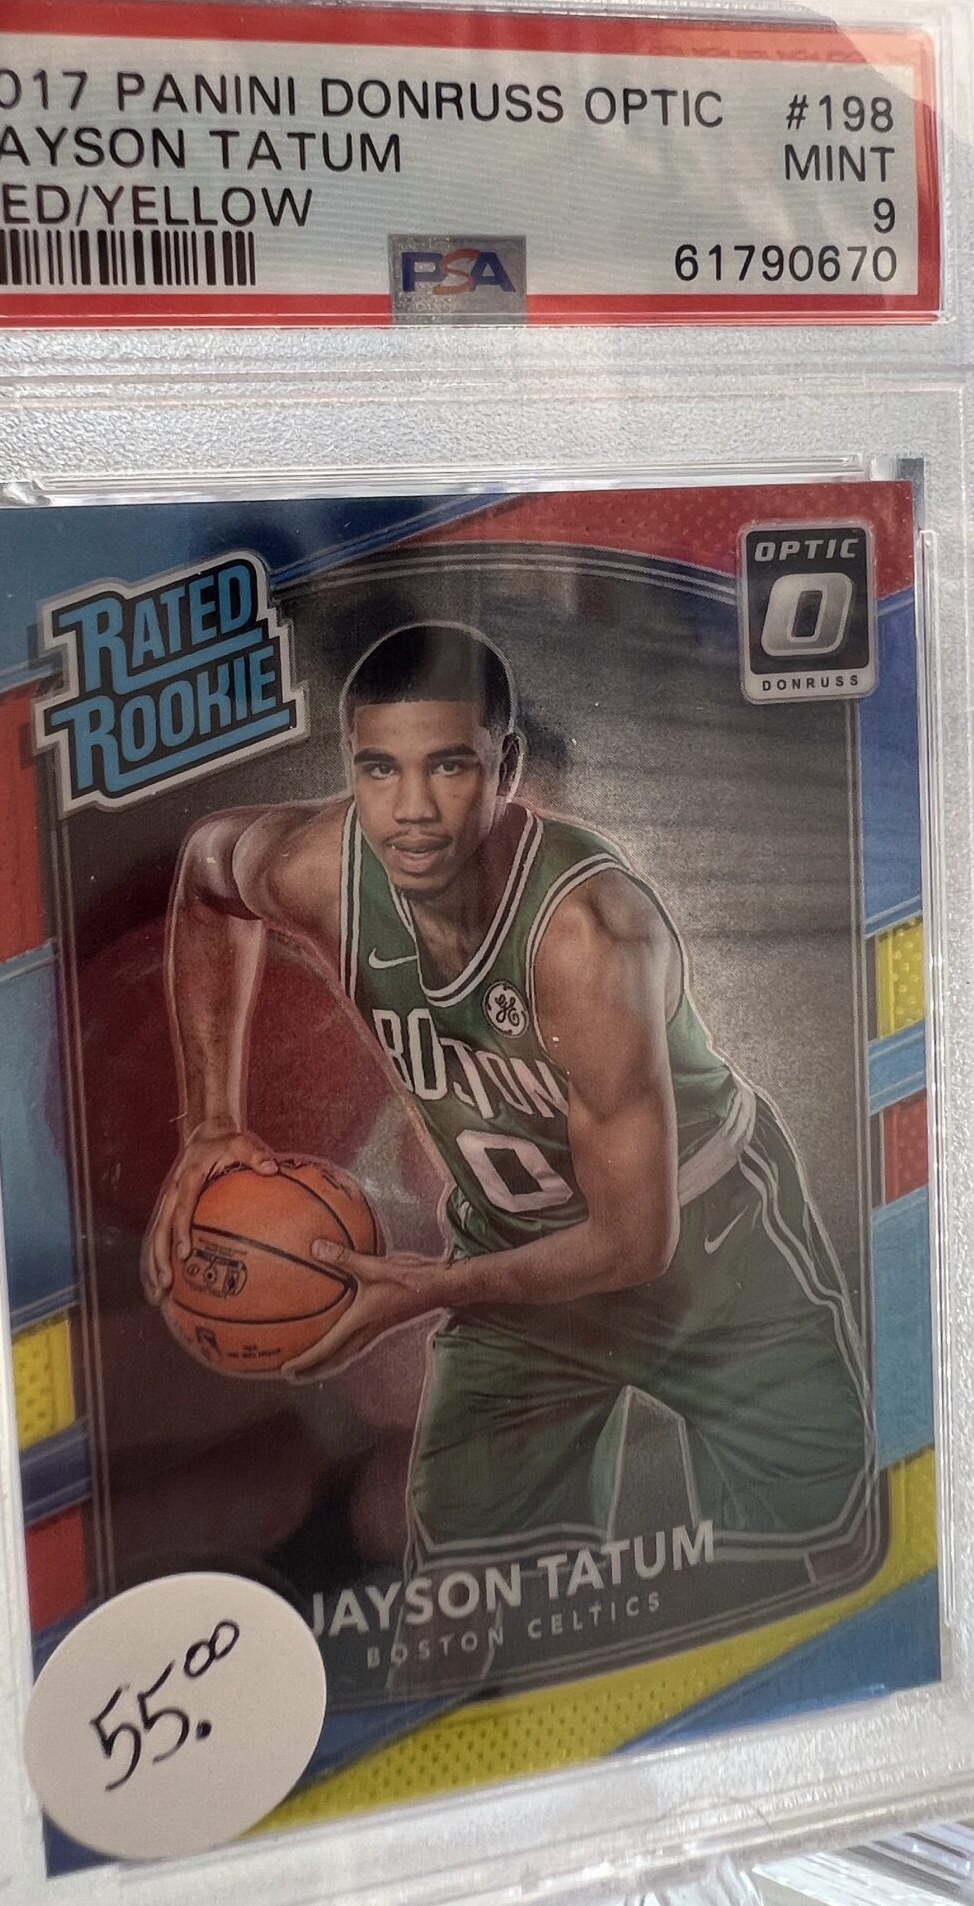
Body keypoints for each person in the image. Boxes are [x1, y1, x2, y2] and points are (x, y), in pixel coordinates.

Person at [142, 621, 873, 1563]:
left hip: (710, 1240)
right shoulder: (320, 871)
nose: (412, 810)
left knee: (817, 1548)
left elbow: (633, 1242)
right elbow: (207, 869)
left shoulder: (590, 938)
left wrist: (425, 1290)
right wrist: (210, 1122)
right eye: (379, 770)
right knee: (472, 1593)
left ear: (508, 765)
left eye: (448, 767)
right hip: (517, 1254)